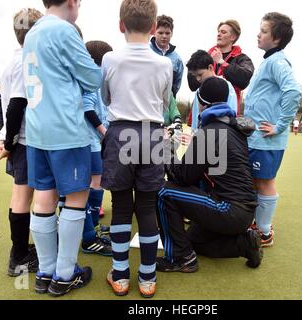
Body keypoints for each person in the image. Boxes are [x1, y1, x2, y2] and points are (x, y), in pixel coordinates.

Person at [23, 0, 102, 297]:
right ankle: (66, 274)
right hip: (66, 130)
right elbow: (93, 79)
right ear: (71, 2)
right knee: (77, 199)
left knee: (44, 198)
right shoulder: (65, 30)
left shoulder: (32, 32)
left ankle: (45, 272)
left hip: (37, 131)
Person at [101, 0, 172, 298]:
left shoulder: (109, 59)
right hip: (152, 134)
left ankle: (120, 275)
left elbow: (105, 98)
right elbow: (166, 100)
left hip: (120, 133)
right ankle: (147, 278)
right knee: (146, 207)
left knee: (120, 207)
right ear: (154, 28)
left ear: (121, 25)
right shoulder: (165, 63)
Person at [156, 76, 262, 273]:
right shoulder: (234, 129)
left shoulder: (210, 131)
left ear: (202, 103)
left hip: (228, 209)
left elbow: (181, 177)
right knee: (191, 240)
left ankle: (180, 259)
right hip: (244, 212)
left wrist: (164, 147)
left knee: (163, 192)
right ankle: (244, 244)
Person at [0, 8, 43, 277]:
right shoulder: (27, 60)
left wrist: (4, 139)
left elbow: (9, 105)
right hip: (25, 140)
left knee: (20, 195)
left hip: (19, 139)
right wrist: (10, 143)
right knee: (23, 196)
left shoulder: (15, 59)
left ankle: (20, 250)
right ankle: (19, 257)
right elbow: (16, 106)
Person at [244, 12, 301, 247]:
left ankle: (264, 232)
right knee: (258, 181)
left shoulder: (277, 61)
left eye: (264, 31)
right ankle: (258, 224)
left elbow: (293, 91)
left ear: (276, 39)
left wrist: (279, 125)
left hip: (266, 139)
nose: (258, 34)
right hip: (257, 137)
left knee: (265, 182)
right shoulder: (269, 60)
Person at [80, 40, 113, 256]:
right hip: (89, 140)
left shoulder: (97, 80)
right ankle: (89, 237)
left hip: (93, 141)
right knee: (93, 183)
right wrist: (103, 131)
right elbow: (87, 108)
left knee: (94, 182)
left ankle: (93, 229)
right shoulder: (91, 80)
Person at [208, 19, 254, 114]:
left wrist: (221, 62)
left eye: (223, 32)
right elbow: (193, 83)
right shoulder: (207, 56)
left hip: (227, 114)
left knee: (220, 130)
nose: (219, 34)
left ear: (233, 37)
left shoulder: (242, 59)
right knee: (203, 130)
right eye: (218, 32)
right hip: (204, 112)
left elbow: (244, 79)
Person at [186, 50, 237, 133]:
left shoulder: (227, 87)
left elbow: (231, 117)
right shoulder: (199, 91)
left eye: (200, 74)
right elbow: (196, 121)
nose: (198, 79)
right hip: (202, 140)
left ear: (210, 67)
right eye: (195, 76)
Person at [150, 14, 184, 98]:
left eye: (167, 33)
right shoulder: (145, 51)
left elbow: (176, 86)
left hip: (166, 104)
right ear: (154, 32)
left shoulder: (177, 59)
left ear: (171, 34)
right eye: (160, 33)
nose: (164, 36)